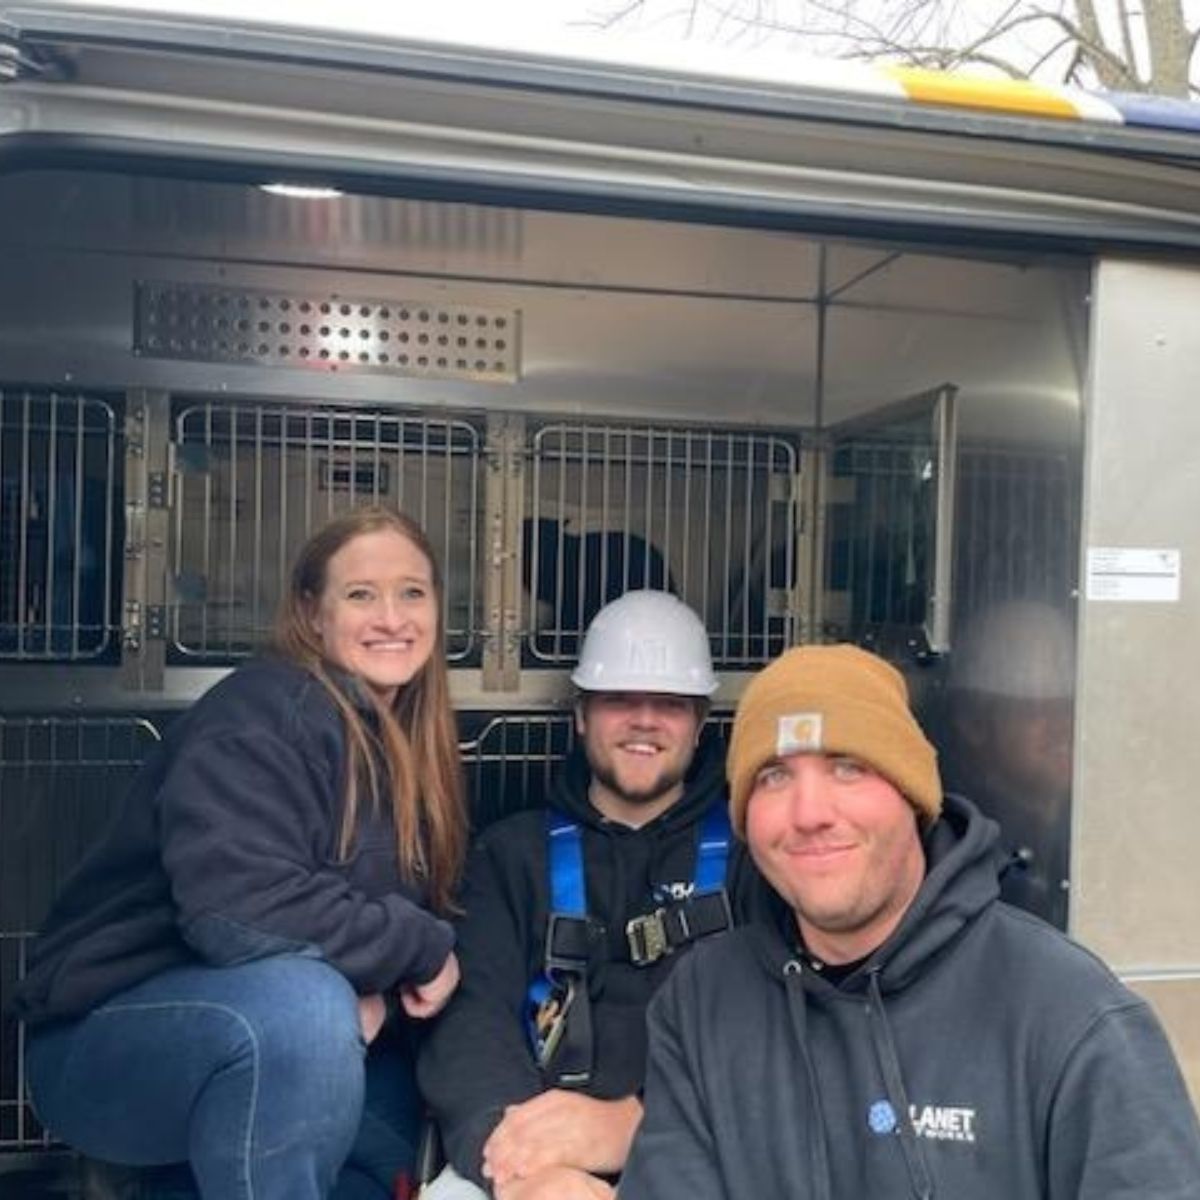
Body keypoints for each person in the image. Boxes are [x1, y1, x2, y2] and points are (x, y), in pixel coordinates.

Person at [620, 644, 1200, 1199]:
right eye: (773, 776)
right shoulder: (701, 1003)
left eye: (848, 768)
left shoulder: (1069, 1013)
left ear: (913, 794)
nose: (809, 813)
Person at [13, 506, 468, 1200]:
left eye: (412, 591)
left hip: (276, 1034)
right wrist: (418, 949)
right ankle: (142, 1167)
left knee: (402, 1132)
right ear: (311, 613)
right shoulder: (266, 710)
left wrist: (385, 990)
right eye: (360, 594)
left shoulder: (403, 745)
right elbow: (238, 910)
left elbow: (397, 942)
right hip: (103, 1042)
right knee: (307, 1015)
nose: (391, 617)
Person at [418, 591, 770, 1200]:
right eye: (619, 700)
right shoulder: (509, 856)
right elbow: (469, 1023)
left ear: (699, 723)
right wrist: (516, 1161)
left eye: (669, 704)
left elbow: (780, 1035)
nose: (644, 720)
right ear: (581, 714)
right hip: (530, 1158)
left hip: (711, 1145)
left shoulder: (756, 860)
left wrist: (644, 1125)